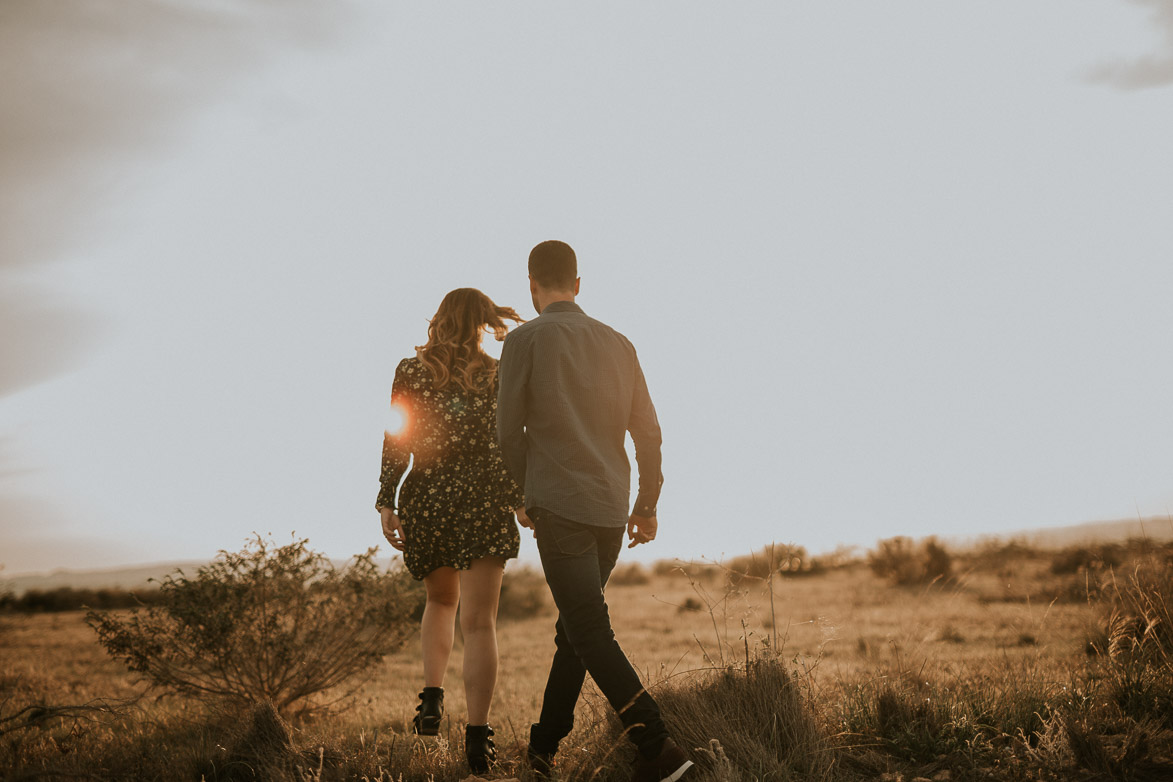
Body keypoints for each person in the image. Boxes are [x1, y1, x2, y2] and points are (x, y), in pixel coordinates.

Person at [497, 241, 694, 782]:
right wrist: (646, 504)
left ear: (532, 286)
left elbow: (505, 431)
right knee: (576, 633)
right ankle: (541, 752)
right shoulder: (620, 343)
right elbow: (648, 432)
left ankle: (657, 746)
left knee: (587, 630)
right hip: (610, 509)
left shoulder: (523, 340)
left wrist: (520, 493)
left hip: (557, 506)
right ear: (578, 284)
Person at [376, 287, 525, 774]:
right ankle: (479, 738)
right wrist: (520, 498)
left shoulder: (410, 370)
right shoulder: (498, 372)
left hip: (430, 495)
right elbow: (511, 440)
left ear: (439, 318)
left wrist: (387, 498)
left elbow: (397, 436)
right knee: (480, 623)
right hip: (485, 496)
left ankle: (432, 700)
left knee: (440, 602)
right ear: (483, 321)